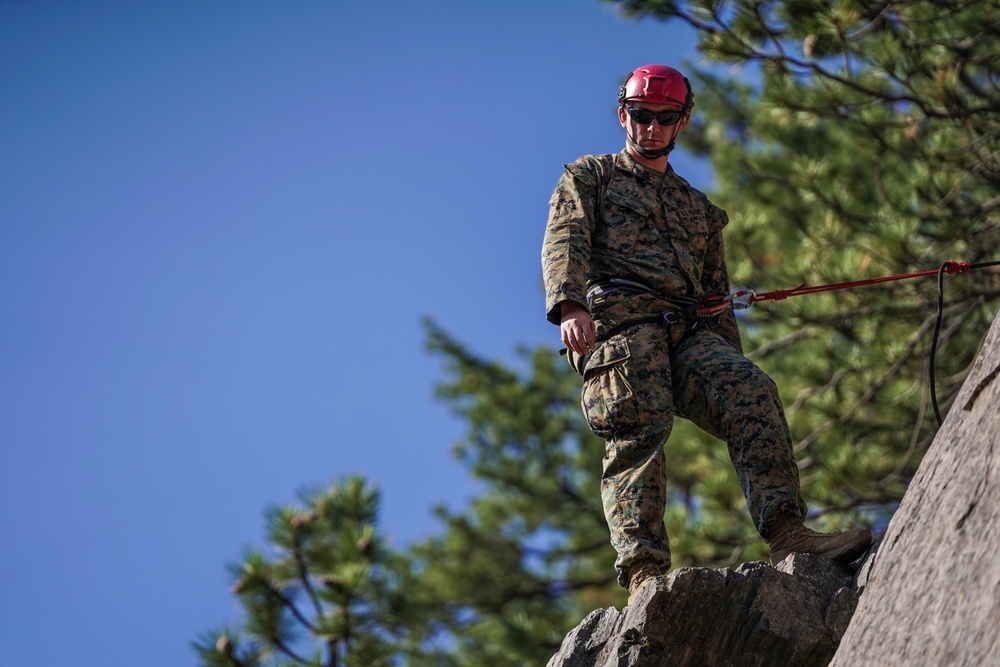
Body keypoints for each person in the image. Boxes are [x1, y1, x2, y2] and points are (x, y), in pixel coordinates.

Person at [541, 64, 872, 601]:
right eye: (641, 115)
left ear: (683, 122)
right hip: (622, 325)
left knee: (750, 390)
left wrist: (725, 359)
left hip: (689, 330)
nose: (650, 127)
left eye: (663, 117)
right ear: (624, 114)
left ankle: (788, 533)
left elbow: (716, 295)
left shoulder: (698, 210)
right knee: (638, 427)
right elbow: (565, 239)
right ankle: (644, 570)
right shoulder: (592, 177)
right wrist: (571, 305)